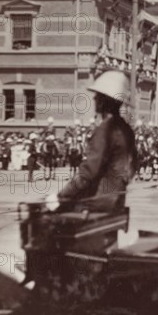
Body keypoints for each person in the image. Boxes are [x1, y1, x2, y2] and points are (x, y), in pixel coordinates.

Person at [46, 71, 137, 213]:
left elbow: (88, 171)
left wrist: (61, 196)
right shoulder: (126, 129)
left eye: (98, 96)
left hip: (99, 199)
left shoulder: (105, 129)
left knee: (48, 216)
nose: (94, 99)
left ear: (103, 101)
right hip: (118, 198)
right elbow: (134, 164)